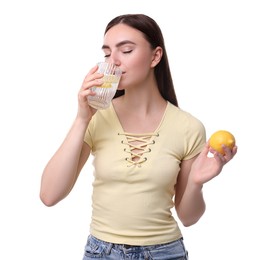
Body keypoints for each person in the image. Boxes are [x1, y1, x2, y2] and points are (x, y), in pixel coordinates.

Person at [40, 14, 237, 260]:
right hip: (102, 253)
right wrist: (82, 119)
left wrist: (196, 182)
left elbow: (189, 217)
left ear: (155, 56)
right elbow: (49, 195)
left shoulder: (189, 127)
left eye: (126, 50)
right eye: (107, 53)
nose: (113, 61)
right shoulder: (96, 117)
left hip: (166, 253)